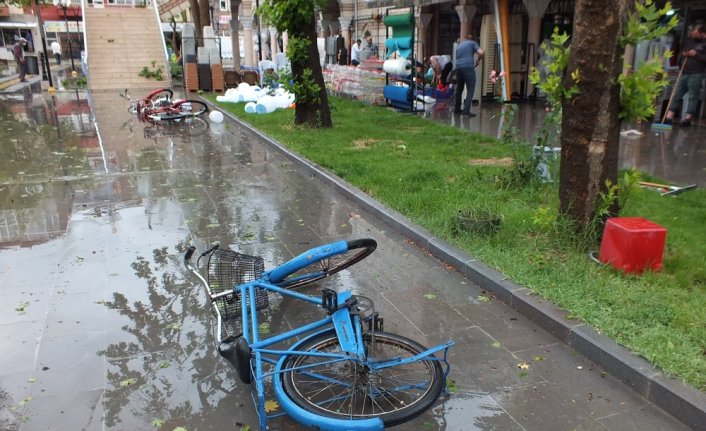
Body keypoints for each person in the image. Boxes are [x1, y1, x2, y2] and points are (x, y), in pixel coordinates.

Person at [663, 25, 706, 127]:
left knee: (692, 96)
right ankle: (669, 117)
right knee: (676, 94)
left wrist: (696, 55)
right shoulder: (690, 41)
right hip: (684, 72)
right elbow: (681, 54)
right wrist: (684, 54)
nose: (692, 34)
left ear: (702, 33)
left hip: (696, 73)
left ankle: (687, 119)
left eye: (694, 32)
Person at [454, 35, 484, 117]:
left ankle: (457, 109)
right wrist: (478, 60)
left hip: (458, 68)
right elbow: (481, 52)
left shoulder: (459, 46)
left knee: (459, 89)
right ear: (472, 39)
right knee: (470, 89)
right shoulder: (473, 43)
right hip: (468, 68)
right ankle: (466, 111)